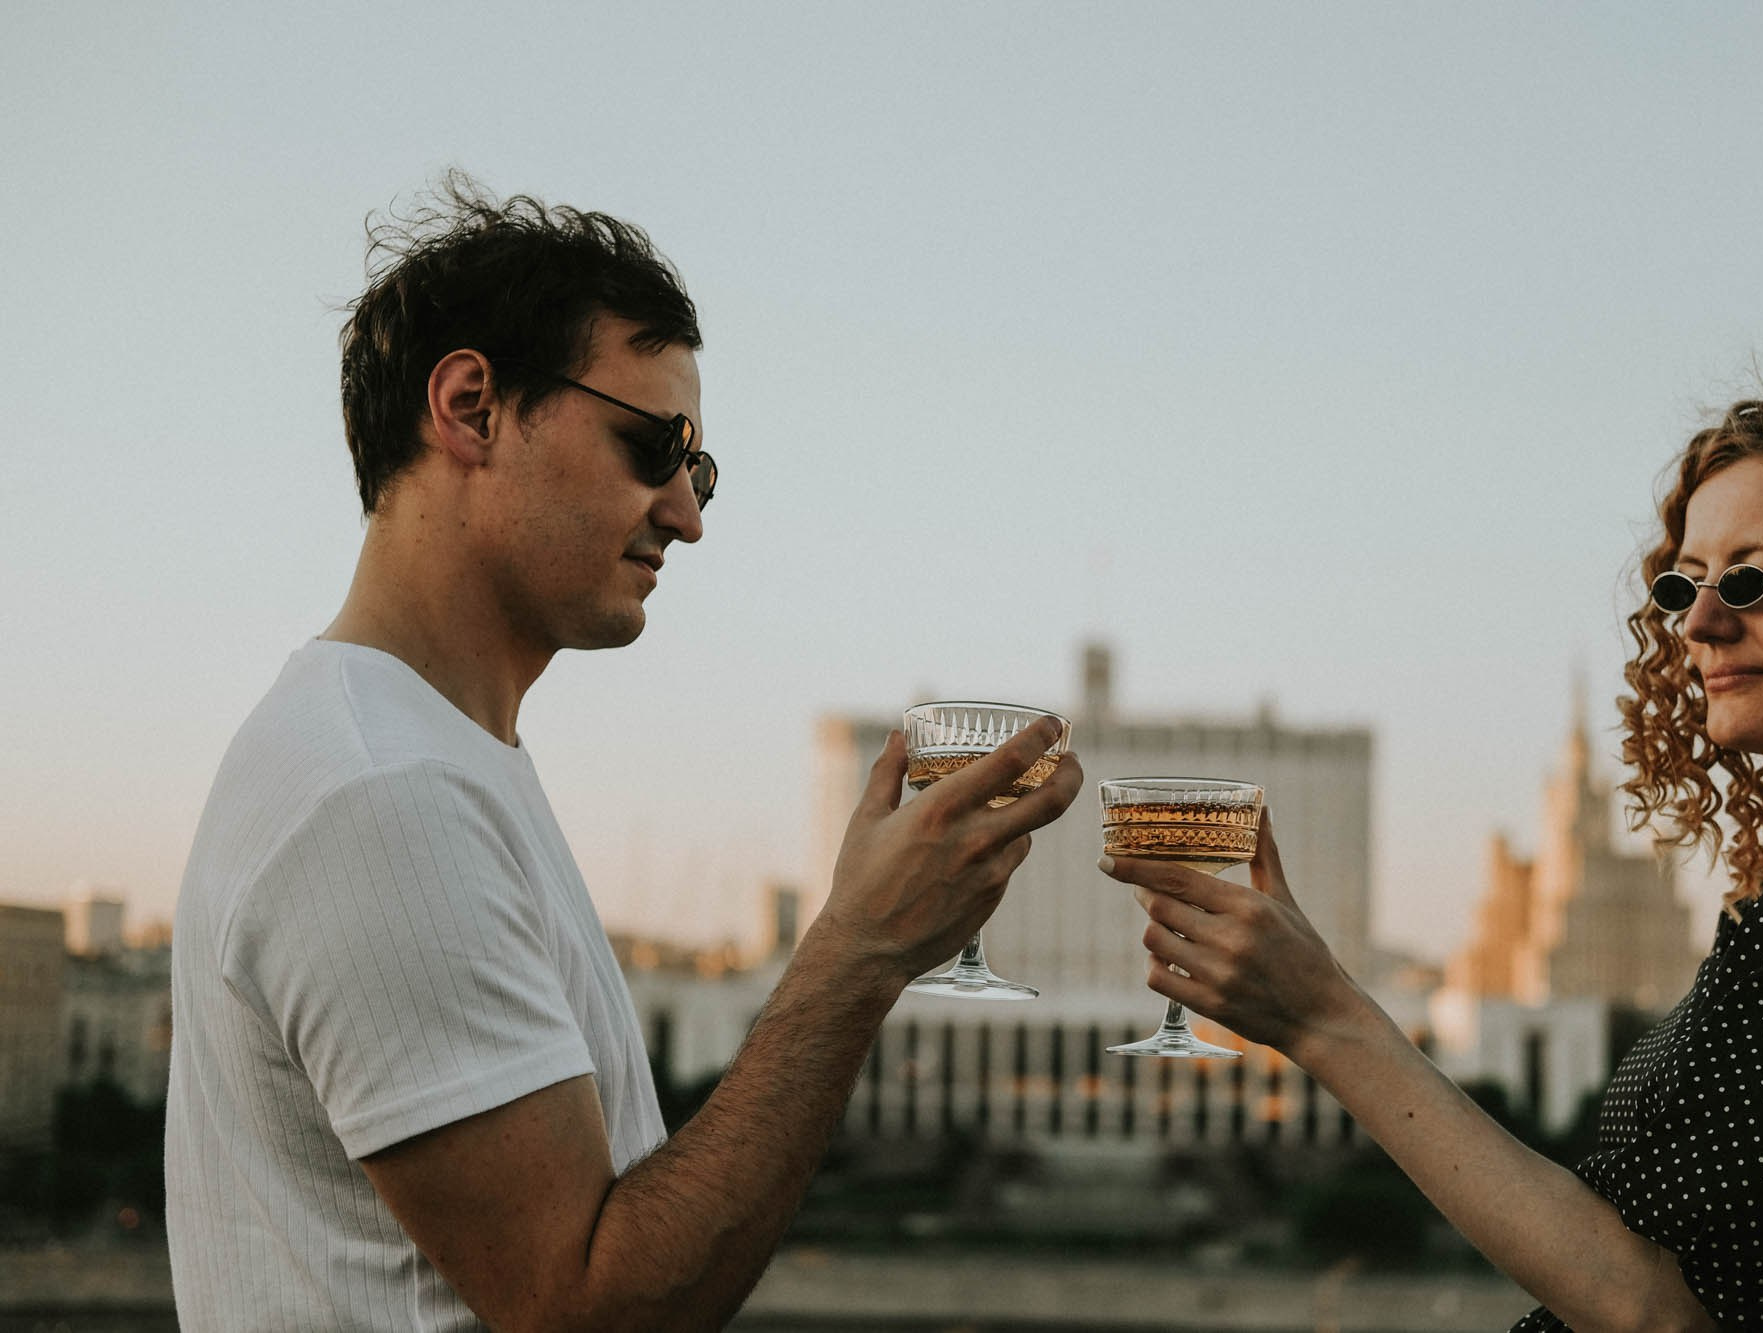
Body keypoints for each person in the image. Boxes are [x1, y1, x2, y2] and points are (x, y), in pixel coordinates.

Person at [164, 177, 1082, 1332]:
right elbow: (581, 1308)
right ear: (469, 406)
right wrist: (856, 954)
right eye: (651, 445)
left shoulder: (428, 755)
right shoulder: (383, 797)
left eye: (698, 468)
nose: (687, 514)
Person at [1101, 380, 1763, 1330]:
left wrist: (1325, 1018)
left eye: (1750, 579)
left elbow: (1652, 1309)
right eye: (1680, 585)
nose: (1698, 625)